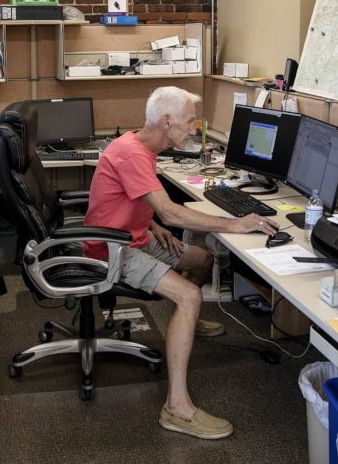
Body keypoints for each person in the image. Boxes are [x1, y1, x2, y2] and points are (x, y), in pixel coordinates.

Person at [84, 86, 278, 440]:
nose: (194, 128)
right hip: (114, 250)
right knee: (190, 294)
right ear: (167, 120)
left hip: (138, 235)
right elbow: (172, 212)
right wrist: (234, 223)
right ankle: (177, 408)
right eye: (190, 121)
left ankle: (187, 323)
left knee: (202, 258)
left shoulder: (143, 145)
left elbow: (132, 199)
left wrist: (152, 223)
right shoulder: (132, 152)